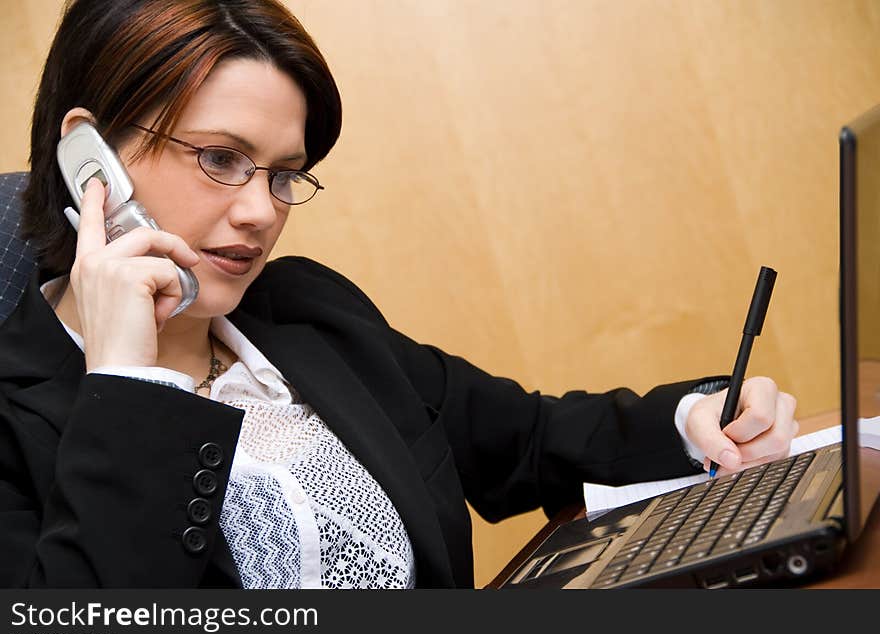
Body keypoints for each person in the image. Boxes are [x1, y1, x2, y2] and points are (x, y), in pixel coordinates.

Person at [0, 0, 797, 589]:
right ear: (91, 156)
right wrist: (130, 385)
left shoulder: (306, 312)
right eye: (220, 158)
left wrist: (697, 420)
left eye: (283, 174)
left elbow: (527, 438)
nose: (260, 211)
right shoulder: (14, 418)